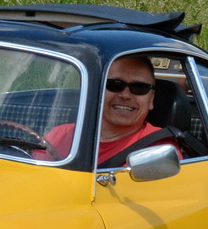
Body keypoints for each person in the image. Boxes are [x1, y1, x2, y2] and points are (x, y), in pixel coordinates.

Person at [40, 55, 179, 165]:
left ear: (151, 99)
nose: (125, 95)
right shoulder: (59, 135)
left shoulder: (161, 150)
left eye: (139, 88)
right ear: (97, 91)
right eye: (114, 85)